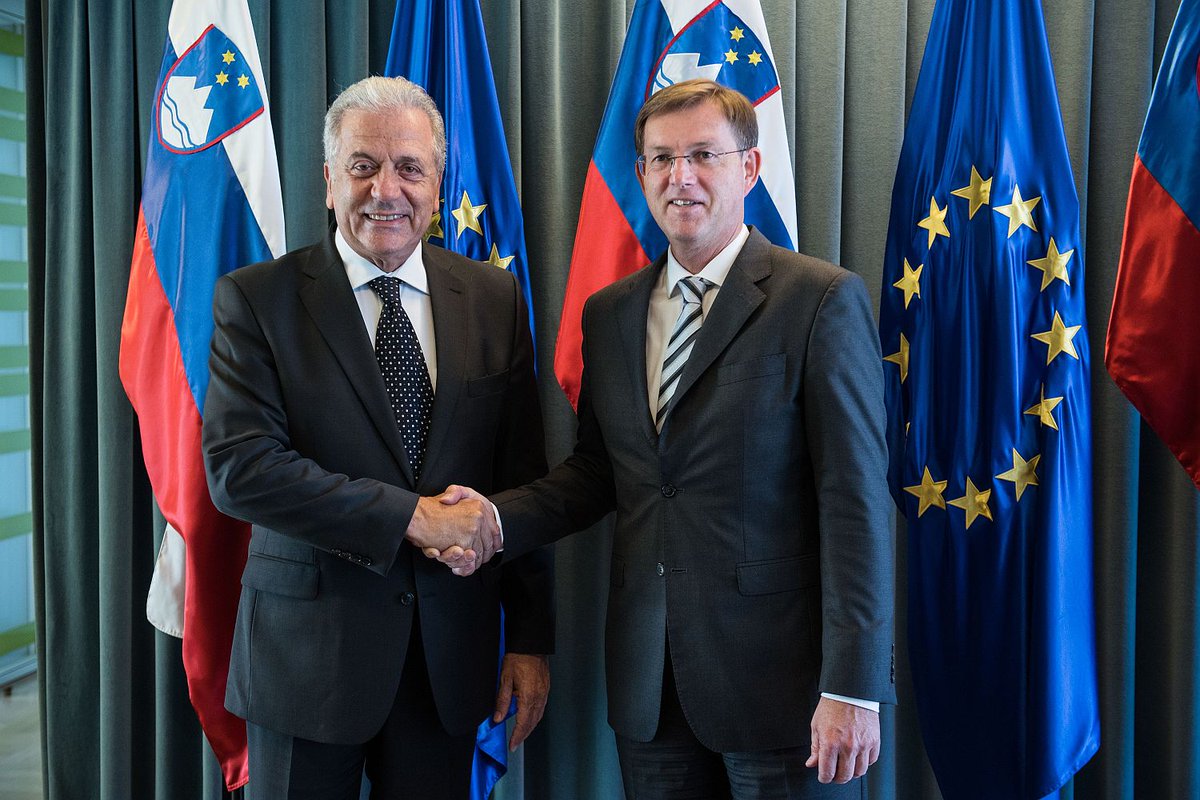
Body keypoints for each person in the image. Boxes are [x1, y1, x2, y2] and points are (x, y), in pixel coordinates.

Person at [416, 79, 895, 798]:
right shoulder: (610, 314)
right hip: (650, 688)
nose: (682, 176)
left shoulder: (818, 300)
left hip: (788, 690)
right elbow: (597, 475)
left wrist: (853, 686)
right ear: (640, 174)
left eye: (704, 155)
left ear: (749, 168)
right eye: (663, 159)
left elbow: (855, 503)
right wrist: (492, 519)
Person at [201, 75, 554, 800]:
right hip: (305, 662)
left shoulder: (493, 298)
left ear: (437, 185)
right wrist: (411, 517)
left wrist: (528, 637)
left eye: (409, 168)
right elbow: (241, 470)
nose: (385, 190)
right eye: (363, 166)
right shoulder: (258, 299)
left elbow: (521, 476)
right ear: (329, 181)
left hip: (446, 661)